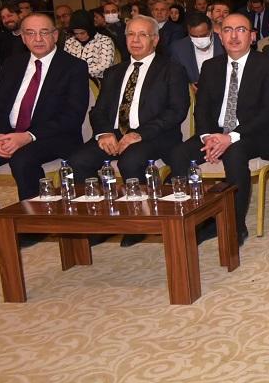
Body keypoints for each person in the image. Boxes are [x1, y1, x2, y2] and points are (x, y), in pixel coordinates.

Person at [0, 13, 89, 251]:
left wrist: (27, 137)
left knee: (22, 159)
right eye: (30, 33)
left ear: (55, 35)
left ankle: (34, 224)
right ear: (23, 38)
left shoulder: (73, 66)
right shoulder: (13, 64)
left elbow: (72, 116)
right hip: (10, 133)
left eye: (44, 32)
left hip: (53, 136)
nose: (38, 39)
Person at [67, 16, 189, 245]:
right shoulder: (114, 72)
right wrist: (104, 133)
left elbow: (176, 111)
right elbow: (98, 111)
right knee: (78, 161)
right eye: (131, 34)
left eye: (143, 35)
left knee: (130, 160)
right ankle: (100, 221)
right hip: (114, 133)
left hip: (155, 134)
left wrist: (139, 134)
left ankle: (137, 222)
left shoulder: (172, 69)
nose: (135, 40)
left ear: (155, 39)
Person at [167, 13, 269, 243]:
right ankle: (197, 220)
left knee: (234, 153)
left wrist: (231, 137)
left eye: (241, 30)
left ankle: (234, 225)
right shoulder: (211, 66)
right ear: (220, 37)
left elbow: (268, 112)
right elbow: (201, 109)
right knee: (179, 154)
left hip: (255, 134)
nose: (234, 36)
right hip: (215, 133)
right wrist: (207, 136)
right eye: (228, 30)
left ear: (252, 36)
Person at [167, 12, 222, 84]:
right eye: (194, 36)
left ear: (211, 30)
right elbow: (175, 77)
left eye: (203, 35)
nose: (199, 39)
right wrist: (189, 86)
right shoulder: (178, 48)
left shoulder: (224, 43)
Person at [61, 9, 115, 81]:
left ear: (90, 29)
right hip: (74, 80)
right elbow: (65, 63)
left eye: (82, 33)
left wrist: (79, 71)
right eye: (76, 33)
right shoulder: (70, 42)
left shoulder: (104, 41)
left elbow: (105, 65)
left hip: (99, 81)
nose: (79, 36)